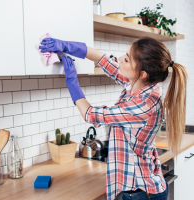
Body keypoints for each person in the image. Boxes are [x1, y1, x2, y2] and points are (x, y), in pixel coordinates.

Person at [40, 37, 188, 200]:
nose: (120, 59)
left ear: (142, 73)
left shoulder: (143, 105)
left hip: (138, 192)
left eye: (126, 59)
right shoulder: (139, 85)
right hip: (141, 187)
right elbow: (102, 59)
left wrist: (71, 81)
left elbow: (90, 113)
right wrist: (66, 45)